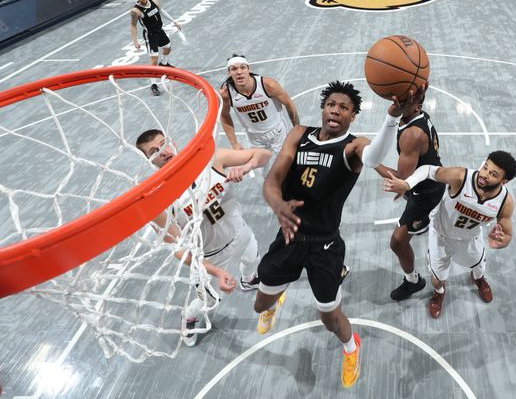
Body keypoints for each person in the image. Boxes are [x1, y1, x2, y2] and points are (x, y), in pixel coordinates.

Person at [255, 81, 419, 389]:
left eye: (344, 108)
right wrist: (278, 204)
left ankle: (352, 347)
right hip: (289, 237)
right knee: (260, 305)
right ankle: (276, 299)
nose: (335, 110)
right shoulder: (298, 134)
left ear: (353, 116)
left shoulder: (353, 147)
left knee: (329, 319)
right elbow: (273, 180)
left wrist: (392, 118)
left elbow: (371, 157)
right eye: (331, 104)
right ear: (323, 108)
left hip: (324, 246)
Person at [135, 129, 269, 346]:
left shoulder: (211, 160)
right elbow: (180, 251)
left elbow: (263, 154)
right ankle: (189, 318)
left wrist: (246, 167)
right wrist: (216, 270)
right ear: (148, 161)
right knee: (209, 301)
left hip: (239, 233)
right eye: (154, 151)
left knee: (253, 260)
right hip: (210, 257)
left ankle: (247, 280)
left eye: (164, 143)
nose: (163, 151)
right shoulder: (156, 201)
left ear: (174, 141)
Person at [382, 151, 516, 318]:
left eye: (492, 174)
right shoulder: (460, 177)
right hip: (442, 236)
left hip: (470, 239)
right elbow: (428, 170)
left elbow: (507, 235)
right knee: (437, 279)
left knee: (479, 266)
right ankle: (439, 292)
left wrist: (501, 241)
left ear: (504, 182)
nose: (484, 174)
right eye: (485, 167)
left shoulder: (505, 202)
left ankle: (478, 279)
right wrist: (407, 184)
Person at [374, 91, 444, 301]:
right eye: (399, 97)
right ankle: (421, 225)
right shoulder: (419, 117)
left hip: (426, 195)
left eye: (406, 100)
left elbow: (401, 181)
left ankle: (413, 281)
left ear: (417, 106)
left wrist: (370, 161)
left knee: (397, 242)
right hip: (427, 180)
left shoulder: (411, 134)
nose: (398, 100)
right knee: (407, 197)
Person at [219, 54, 300, 158]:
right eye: (233, 69)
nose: (239, 72)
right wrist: (234, 144)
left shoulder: (268, 85)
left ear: (249, 69)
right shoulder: (226, 94)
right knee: (264, 172)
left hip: (278, 133)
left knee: (287, 165)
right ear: (229, 73)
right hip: (255, 138)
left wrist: (296, 128)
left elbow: (289, 104)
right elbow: (224, 115)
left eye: (242, 67)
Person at [129, 0, 182, 96]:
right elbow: (133, 26)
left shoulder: (154, 1)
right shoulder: (136, 11)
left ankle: (164, 64)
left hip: (160, 31)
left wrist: (174, 21)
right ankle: (153, 85)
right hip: (150, 35)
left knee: (168, 47)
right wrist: (135, 41)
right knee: (154, 59)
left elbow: (162, 11)